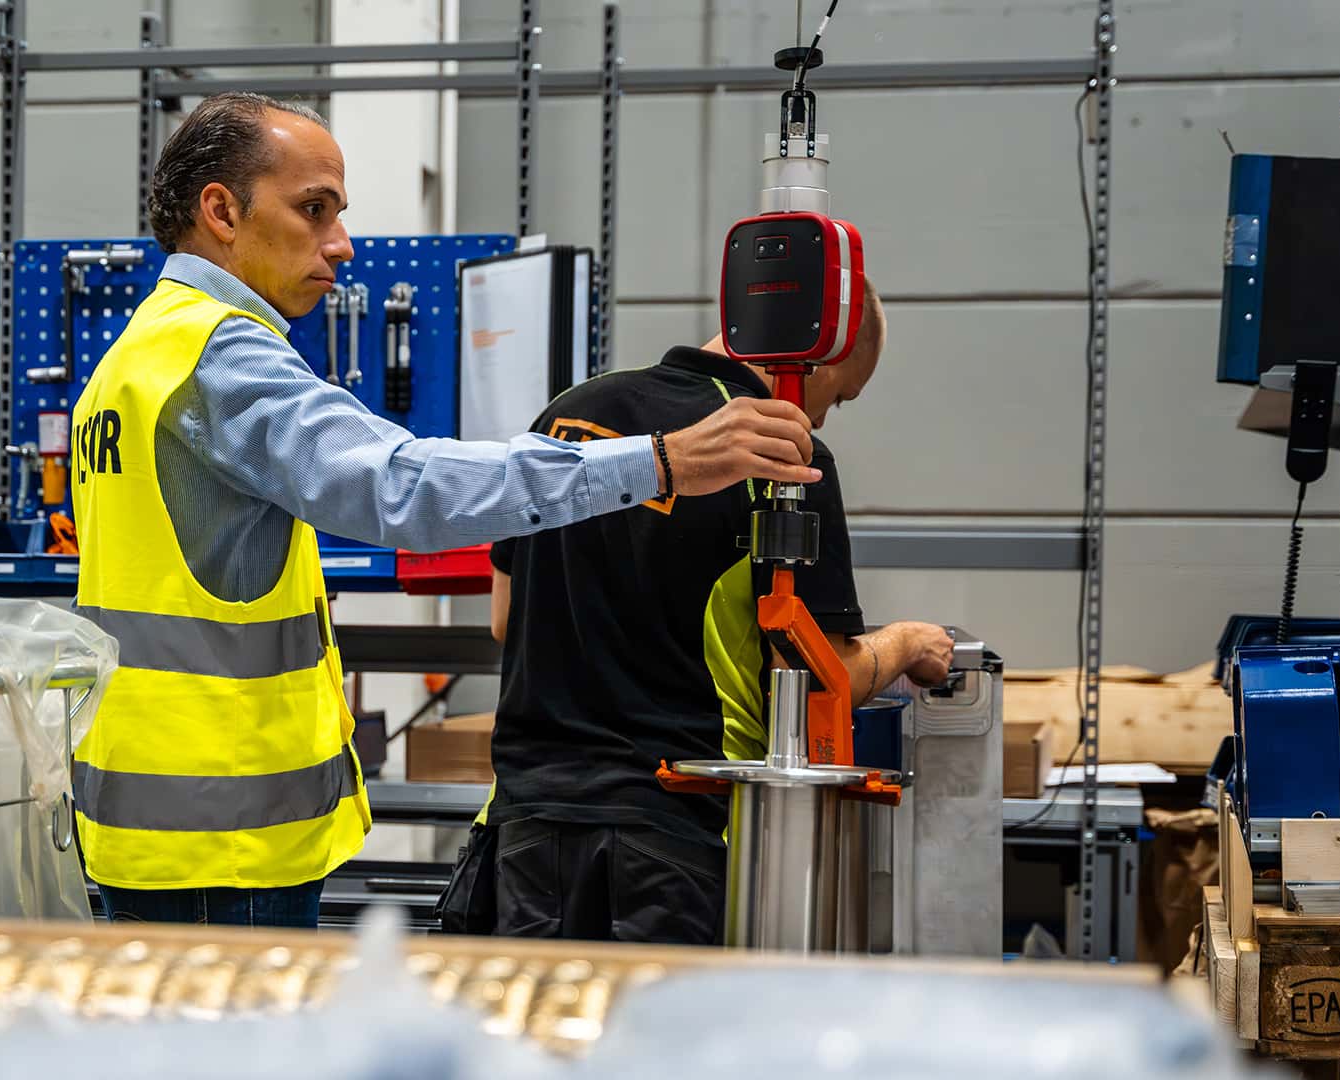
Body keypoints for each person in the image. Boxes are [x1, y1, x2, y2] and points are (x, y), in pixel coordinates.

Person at [69, 91, 822, 928]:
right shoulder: (220, 354)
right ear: (221, 210)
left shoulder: (135, 356)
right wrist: (658, 461)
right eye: (312, 210)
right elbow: (401, 487)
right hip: (224, 840)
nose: (341, 245)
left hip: (149, 822)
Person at [472, 284, 956, 946]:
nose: (819, 421)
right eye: (838, 397)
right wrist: (908, 642)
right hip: (672, 831)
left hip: (524, 828)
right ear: (818, 356)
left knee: (543, 1037)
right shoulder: (778, 455)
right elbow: (816, 676)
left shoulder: (571, 411)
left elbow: (505, 618)